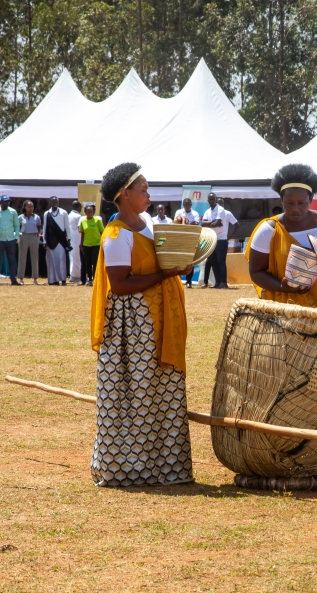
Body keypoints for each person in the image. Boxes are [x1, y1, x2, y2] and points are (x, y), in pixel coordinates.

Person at [90, 162, 194, 486]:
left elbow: (164, 259)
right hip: (132, 326)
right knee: (135, 391)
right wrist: (165, 274)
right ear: (124, 194)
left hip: (156, 317)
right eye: (143, 189)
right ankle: (127, 468)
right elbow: (119, 285)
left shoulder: (147, 223)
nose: (149, 194)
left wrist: (180, 259)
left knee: (162, 388)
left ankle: (165, 467)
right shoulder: (116, 235)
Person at [247, 164, 317, 309]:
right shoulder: (268, 230)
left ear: (311, 199)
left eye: (301, 203)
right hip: (285, 307)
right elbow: (256, 272)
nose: (295, 209)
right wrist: (283, 287)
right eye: (289, 203)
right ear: (281, 200)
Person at [202, 193, 238, 288]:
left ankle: (224, 283)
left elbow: (218, 223)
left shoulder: (222, 210)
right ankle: (217, 282)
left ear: (215, 199)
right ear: (208, 200)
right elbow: (203, 223)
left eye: (212, 199)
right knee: (213, 261)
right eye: (209, 199)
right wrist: (213, 223)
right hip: (212, 240)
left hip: (221, 239)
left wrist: (229, 236)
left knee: (221, 261)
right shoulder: (207, 212)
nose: (211, 201)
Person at [0, 195, 20, 285]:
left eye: (8, 201)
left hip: (10, 239)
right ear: (0, 202)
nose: (7, 203)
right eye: (5, 201)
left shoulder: (13, 211)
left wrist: (16, 236)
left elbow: (17, 225)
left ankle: (13, 279)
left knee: (11, 260)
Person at [44, 197, 71, 285]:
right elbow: (45, 227)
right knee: (51, 260)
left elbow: (67, 226)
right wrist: (44, 241)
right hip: (50, 239)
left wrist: (69, 239)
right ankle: (53, 280)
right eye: (53, 202)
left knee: (61, 259)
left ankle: (63, 279)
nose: (55, 203)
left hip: (61, 239)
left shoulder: (64, 212)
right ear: (50, 202)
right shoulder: (47, 213)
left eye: (57, 202)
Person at [79, 203, 103, 285]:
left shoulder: (98, 220)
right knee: (87, 262)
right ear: (85, 212)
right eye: (88, 212)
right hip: (86, 244)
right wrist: (81, 244)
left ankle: (96, 278)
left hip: (96, 244)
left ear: (93, 212)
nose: (89, 213)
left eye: (91, 212)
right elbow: (82, 234)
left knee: (95, 262)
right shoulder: (83, 221)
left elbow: (102, 232)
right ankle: (89, 278)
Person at [18, 201, 41, 284]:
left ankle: (35, 278)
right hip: (23, 236)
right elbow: (18, 226)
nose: (31, 208)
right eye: (29, 207)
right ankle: (21, 278)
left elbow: (38, 226)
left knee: (34, 257)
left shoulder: (37, 217)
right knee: (22, 257)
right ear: (25, 207)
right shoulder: (20, 217)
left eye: (32, 207)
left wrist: (37, 234)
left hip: (34, 236)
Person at [68, 200, 83, 283]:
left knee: (72, 258)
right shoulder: (78, 216)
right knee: (78, 258)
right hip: (78, 239)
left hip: (72, 239)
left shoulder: (69, 215)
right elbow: (80, 229)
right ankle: (77, 276)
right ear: (78, 207)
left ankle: (72, 275)